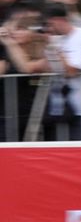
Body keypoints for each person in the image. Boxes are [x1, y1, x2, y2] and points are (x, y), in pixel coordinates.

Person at [41, 2, 81, 140]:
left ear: (59, 20)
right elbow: (45, 69)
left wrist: (56, 49)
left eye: (50, 24)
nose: (50, 28)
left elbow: (71, 71)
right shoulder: (56, 40)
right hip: (60, 109)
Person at [0, 11, 49, 140]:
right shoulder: (6, 52)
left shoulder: (43, 51)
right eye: (15, 29)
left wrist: (10, 44)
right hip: (6, 115)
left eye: (22, 29)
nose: (16, 32)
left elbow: (26, 67)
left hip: (35, 115)